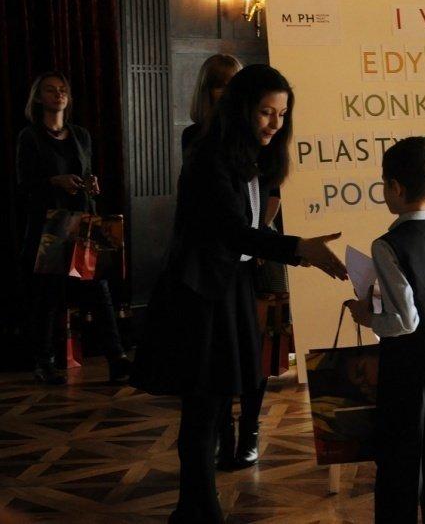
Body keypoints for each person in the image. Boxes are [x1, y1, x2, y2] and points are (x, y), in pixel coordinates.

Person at [131, 64, 349, 522]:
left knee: (213, 405)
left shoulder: (250, 156)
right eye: (267, 112)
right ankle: (198, 509)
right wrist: (298, 248)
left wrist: (294, 248)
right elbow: (231, 232)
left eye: (282, 114)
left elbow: (249, 229)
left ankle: (194, 509)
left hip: (227, 287)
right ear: (242, 108)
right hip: (199, 295)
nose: (276, 123)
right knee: (202, 407)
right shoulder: (210, 156)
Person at [347, 137, 425, 524]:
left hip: (406, 375)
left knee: (399, 468)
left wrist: (367, 315)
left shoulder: (388, 245)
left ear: (394, 187)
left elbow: (405, 320)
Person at [180, 53, 269, 470]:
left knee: (256, 351)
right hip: (221, 258)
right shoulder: (198, 140)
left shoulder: (259, 135)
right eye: (221, 85)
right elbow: (217, 209)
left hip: (258, 250)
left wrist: (261, 239)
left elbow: (270, 190)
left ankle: (249, 430)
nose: (229, 92)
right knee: (218, 357)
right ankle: (224, 432)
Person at [16, 72, 130, 385]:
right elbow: (24, 185)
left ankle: (117, 358)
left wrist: (92, 184)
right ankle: (44, 362)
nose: (59, 94)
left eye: (63, 90)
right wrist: (55, 181)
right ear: (38, 98)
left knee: (100, 291)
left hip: (83, 223)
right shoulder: (30, 136)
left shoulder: (81, 135)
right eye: (51, 90)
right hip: (50, 227)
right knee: (48, 296)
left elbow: (87, 171)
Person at [182, 54, 242, 153]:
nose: (227, 92)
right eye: (219, 86)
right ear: (206, 91)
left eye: (233, 86)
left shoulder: (250, 131)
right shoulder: (191, 134)